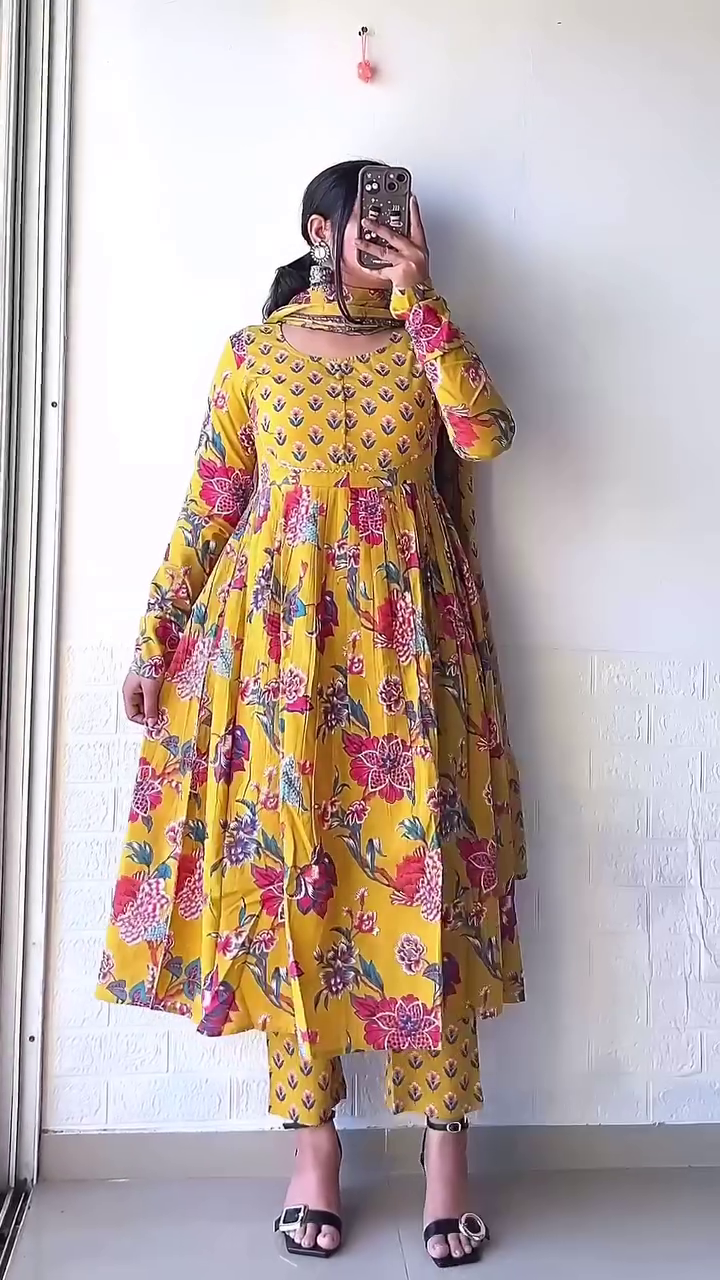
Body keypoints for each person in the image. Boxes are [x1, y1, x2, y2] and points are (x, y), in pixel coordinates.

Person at [97, 160, 526, 1267]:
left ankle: (446, 1160)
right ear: (318, 232)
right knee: (292, 882)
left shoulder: (428, 344)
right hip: (279, 663)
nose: (390, 234)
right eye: (373, 220)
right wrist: (156, 637)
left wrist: (423, 300)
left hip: (413, 656)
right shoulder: (252, 355)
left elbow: (486, 435)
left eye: (404, 219)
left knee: (427, 882)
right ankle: (314, 1152)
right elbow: (212, 504)